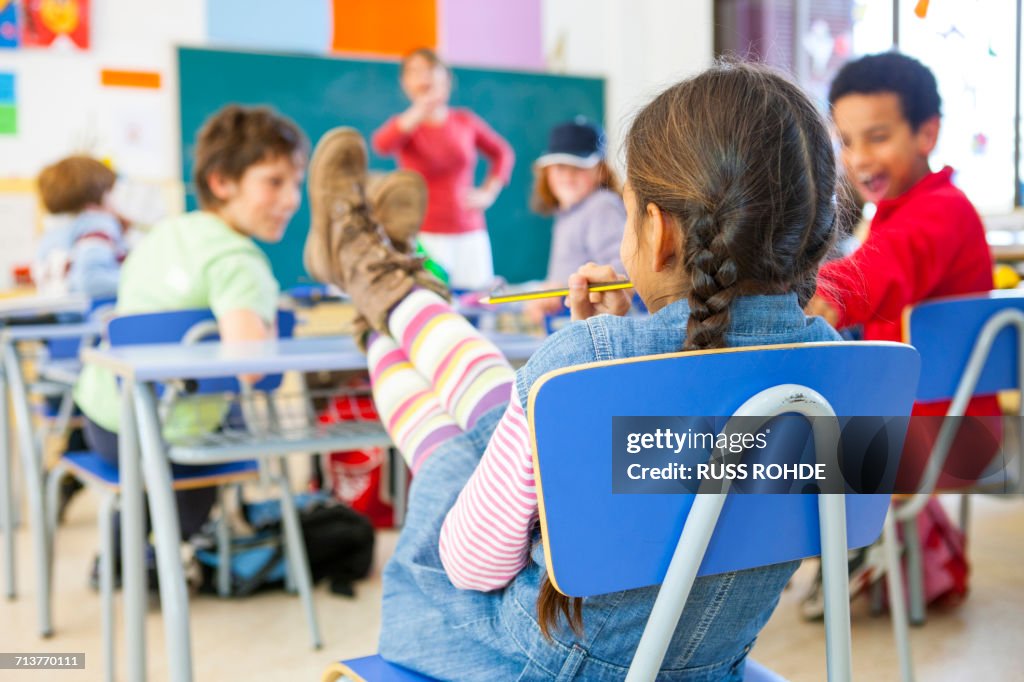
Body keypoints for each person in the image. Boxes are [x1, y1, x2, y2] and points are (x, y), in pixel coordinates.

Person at [305, 60, 840, 679]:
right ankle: (375, 277)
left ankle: (369, 274)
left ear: (657, 232)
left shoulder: (581, 366)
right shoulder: (838, 374)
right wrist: (612, 344)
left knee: (461, 453)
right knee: (508, 422)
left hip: (537, 663)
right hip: (707, 659)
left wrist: (593, 352)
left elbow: (470, 565)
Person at [73, 104, 308, 585]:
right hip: (171, 436)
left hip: (104, 418)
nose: (292, 199)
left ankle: (124, 551)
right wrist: (269, 328)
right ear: (223, 182)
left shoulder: (165, 232)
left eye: (296, 183)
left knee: (208, 424)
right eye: (275, 182)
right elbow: (249, 366)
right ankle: (162, 544)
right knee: (221, 447)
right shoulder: (240, 262)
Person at [803, 51, 998, 618]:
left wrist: (832, 291)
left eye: (878, 136)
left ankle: (854, 544)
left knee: (768, 436)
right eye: (846, 140)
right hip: (922, 420)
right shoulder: (900, 211)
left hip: (940, 434)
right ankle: (864, 544)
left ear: (926, 133)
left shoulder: (940, 212)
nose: (860, 158)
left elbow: (889, 263)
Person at [371, 47, 514, 291]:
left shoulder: (464, 121)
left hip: (469, 231)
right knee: (431, 301)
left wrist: (488, 192)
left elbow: (503, 153)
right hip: (425, 233)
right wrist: (419, 110)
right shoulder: (407, 126)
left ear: (445, 79)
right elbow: (382, 144)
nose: (422, 77)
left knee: (477, 301)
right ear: (405, 83)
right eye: (413, 71)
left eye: (429, 70)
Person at [524, 117, 626, 326]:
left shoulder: (601, 205)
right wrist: (550, 291)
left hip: (596, 322)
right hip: (568, 319)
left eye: (579, 167)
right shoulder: (568, 211)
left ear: (600, 170)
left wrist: (560, 291)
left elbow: (621, 271)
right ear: (547, 172)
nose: (568, 176)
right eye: (560, 167)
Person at [34, 155, 128, 300]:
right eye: (110, 192)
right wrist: (139, 281)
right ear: (99, 196)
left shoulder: (51, 233)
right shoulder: (98, 225)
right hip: (95, 316)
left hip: (56, 316)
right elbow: (91, 280)